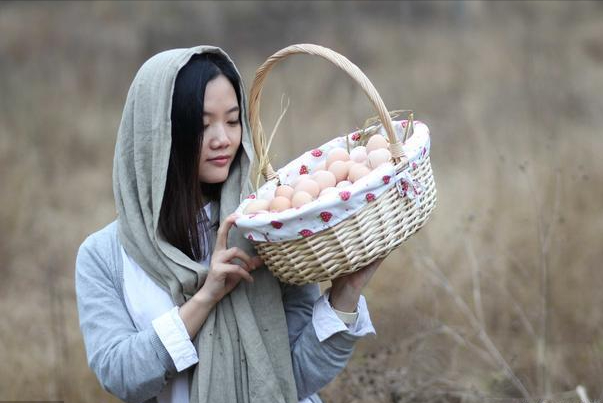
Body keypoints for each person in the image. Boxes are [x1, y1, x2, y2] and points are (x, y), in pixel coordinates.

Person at [75, 45, 383, 403]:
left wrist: (346, 293)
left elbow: (296, 377)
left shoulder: (268, 228)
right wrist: (207, 297)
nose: (224, 139)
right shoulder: (105, 256)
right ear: (157, 135)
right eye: (203, 125)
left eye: (233, 120)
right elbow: (122, 376)